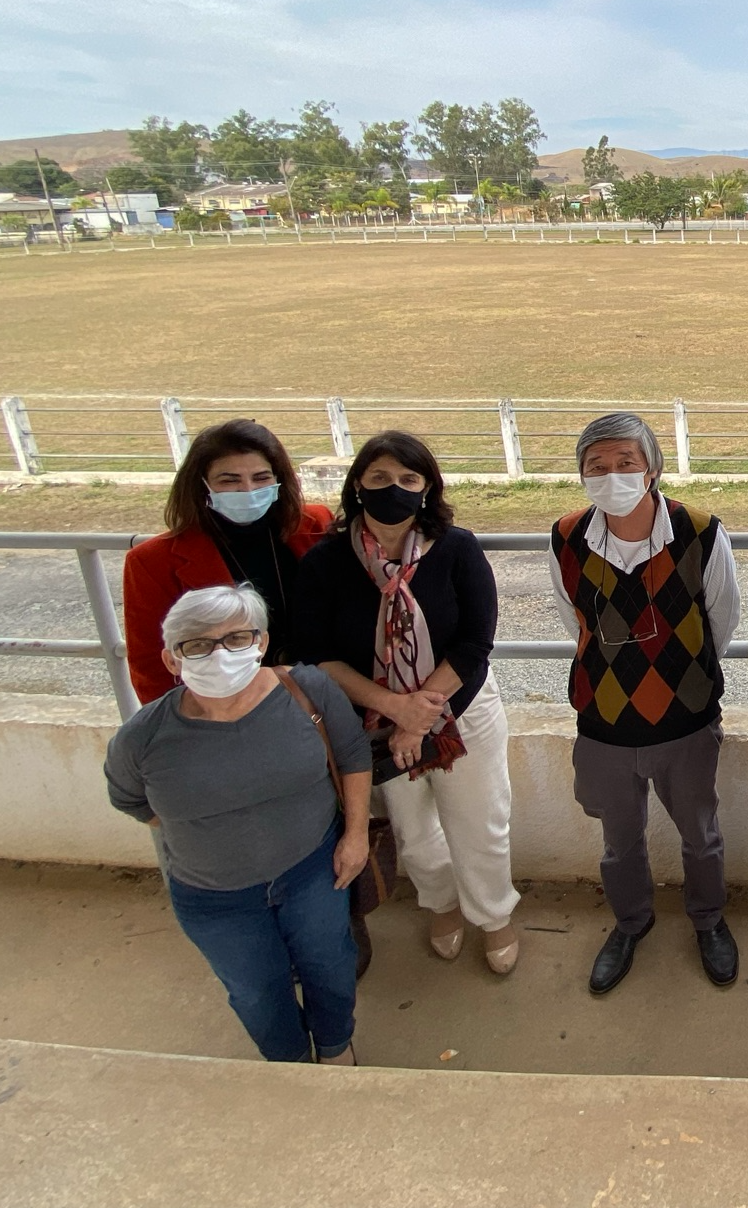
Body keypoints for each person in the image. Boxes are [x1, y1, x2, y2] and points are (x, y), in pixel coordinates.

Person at [105, 584, 370, 1063]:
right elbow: (130, 799)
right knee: (256, 992)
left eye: (236, 639)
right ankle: (288, 1065)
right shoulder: (142, 739)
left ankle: (334, 1047)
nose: (220, 654)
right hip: (214, 899)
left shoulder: (307, 691)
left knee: (330, 966)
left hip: (314, 870)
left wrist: (355, 836)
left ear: (261, 643)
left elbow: (352, 755)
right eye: (199, 645)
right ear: (172, 660)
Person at [295, 431, 520, 976]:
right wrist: (395, 711)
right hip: (374, 721)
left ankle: (494, 916)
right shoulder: (326, 563)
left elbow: (474, 642)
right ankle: (441, 906)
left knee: (480, 824)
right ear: (357, 487)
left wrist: (422, 712)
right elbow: (318, 655)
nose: (392, 489)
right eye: (378, 479)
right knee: (416, 834)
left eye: (407, 480)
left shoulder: (458, 548)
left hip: (460, 711)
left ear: (426, 489)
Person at [550, 412, 742, 994]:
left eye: (625, 463)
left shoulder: (702, 532)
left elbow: (722, 621)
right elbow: (575, 623)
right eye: (597, 468)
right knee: (619, 842)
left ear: (653, 468)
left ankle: (709, 921)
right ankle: (631, 923)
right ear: (582, 477)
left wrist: (678, 682)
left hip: (685, 724)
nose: (612, 476)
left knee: (700, 833)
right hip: (604, 727)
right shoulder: (565, 537)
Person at [123, 419, 333, 705]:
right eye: (229, 480)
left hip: (322, 696)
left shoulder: (315, 524)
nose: (247, 490)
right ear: (202, 485)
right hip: (226, 710)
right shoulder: (152, 561)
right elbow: (151, 667)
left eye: (261, 478)